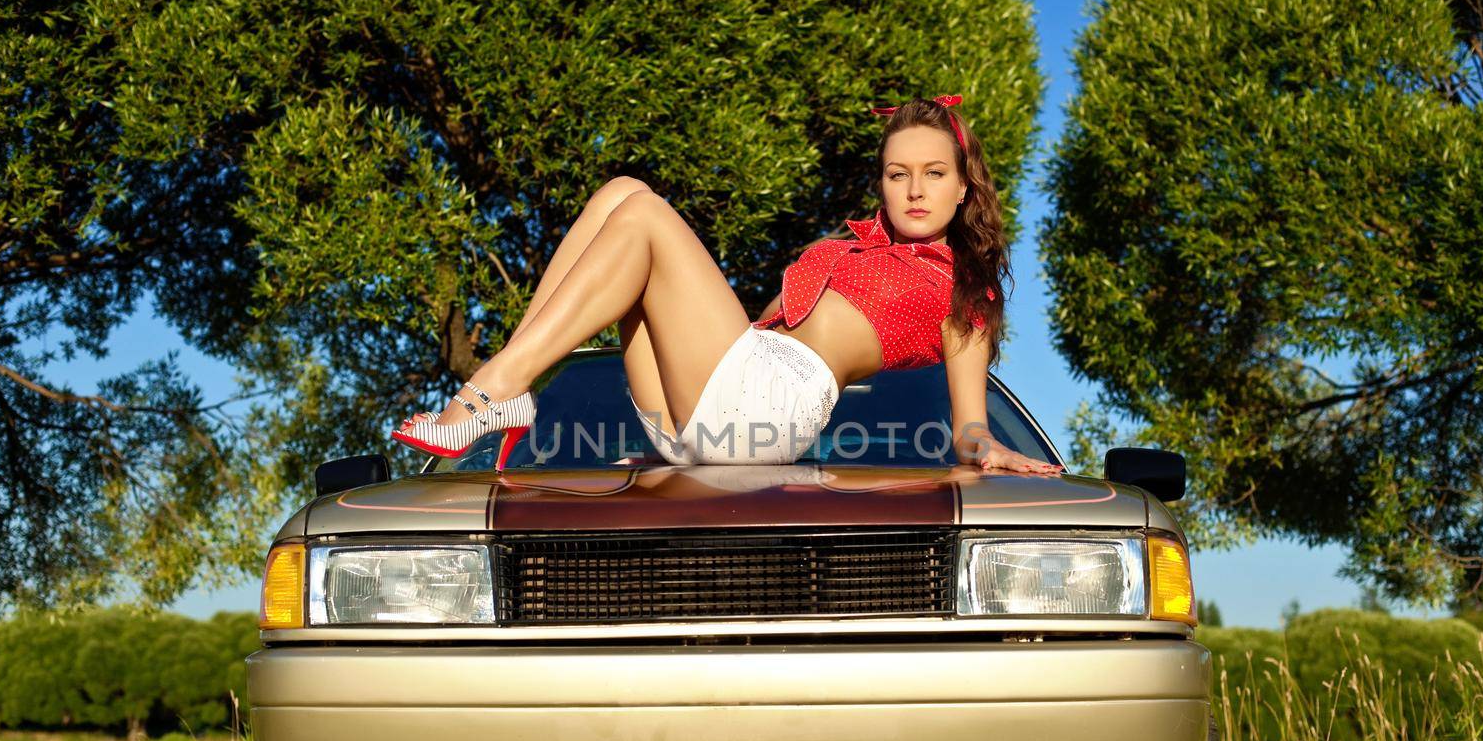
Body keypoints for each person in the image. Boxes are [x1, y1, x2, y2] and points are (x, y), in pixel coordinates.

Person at [393, 95, 1065, 475]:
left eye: (933, 173)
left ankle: (489, 390)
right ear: (882, 182)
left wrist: (990, 450)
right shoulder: (843, 249)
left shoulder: (965, 293)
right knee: (621, 192)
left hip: (772, 406)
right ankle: (508, 388)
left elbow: (968, 428)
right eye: (897, 173)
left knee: (645, 214)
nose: (915, 189)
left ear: (963, 183)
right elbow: (749, 333)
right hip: (701, 410)